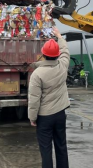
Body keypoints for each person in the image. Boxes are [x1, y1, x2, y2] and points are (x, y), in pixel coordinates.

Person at [28, 26, 70, 168]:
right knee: (61, 147)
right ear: (57, 55)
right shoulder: (63, 66)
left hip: (44, 118)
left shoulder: (37, 74)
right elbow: (65, 51)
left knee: (46, 150)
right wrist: (59, 36)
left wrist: (32, 118)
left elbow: (34, 99)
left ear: (43, 54)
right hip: (60, 115)